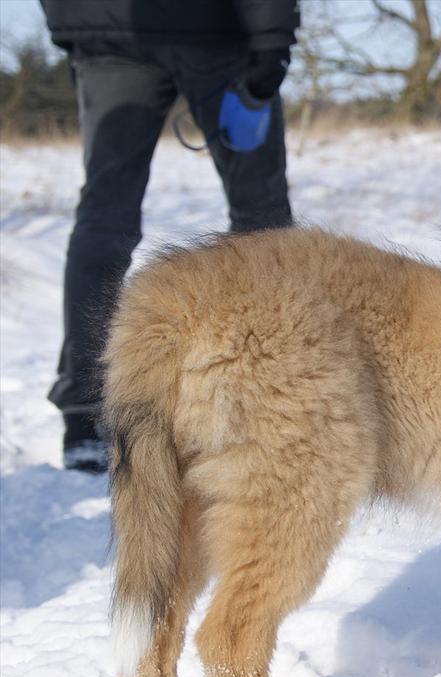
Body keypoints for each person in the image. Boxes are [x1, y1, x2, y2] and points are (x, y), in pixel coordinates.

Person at [40, 0, 300, 472]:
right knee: (263, 224)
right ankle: (277, 391)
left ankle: (83, 414)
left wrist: (71, 19)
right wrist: (272, 37)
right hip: (216, 30)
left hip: (107, 28)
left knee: (104, 218)